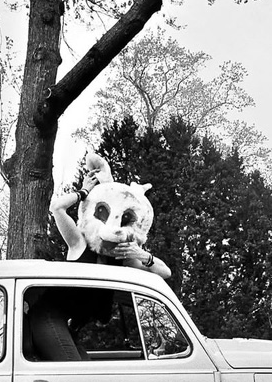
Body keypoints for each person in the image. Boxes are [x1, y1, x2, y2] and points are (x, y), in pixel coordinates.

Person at [28, 154, 170, 361]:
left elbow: (165, 272)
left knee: (87, 369)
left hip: (69, 325)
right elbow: (57, 208)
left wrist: (142, 255)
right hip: (48, 316)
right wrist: (84, 192)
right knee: (76, 372)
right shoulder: (79, 244)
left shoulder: (122, 257)